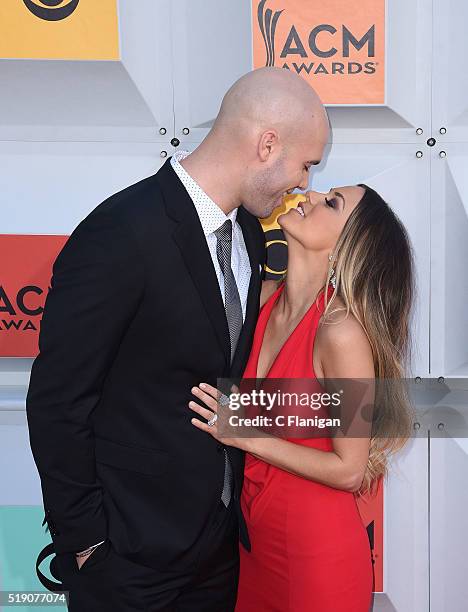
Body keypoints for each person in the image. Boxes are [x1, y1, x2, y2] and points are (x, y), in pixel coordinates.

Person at [25, 66, 329, 611]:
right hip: (126, 560)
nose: (304, 183)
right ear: (267, 145)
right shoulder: (121, 232)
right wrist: (88, 544)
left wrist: (357, 411)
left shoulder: (252, 241)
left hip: (217, 555)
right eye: (306, 164)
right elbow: (57, 401)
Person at [189, 184, 415, 611]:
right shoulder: (262, 302)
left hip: (318, 560)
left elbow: (349, 470)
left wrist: (242, 434)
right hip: (252, 549)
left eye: (332, 203)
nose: (309, 196)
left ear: (349, 246)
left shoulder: (340, 332)